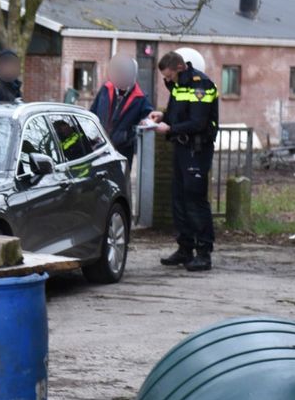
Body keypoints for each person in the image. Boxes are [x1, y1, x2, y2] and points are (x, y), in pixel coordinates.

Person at [150, 51, 219, 272]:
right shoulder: (179, 85)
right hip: (181, 148)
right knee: (178, 198)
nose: (167, 81)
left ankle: (203, 252)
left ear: (179, 68)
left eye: (168, 76)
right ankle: (185, 248)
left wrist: (170, 129)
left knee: (195, 199)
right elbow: (178, 113)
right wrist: (163, 118)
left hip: (197, 150)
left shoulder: (202, 85)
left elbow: (198, 122)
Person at [89, 54, 154, 167]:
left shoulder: (140, 98)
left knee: (120, 180)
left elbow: (149, 117)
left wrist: (129, 136)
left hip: (122, 150)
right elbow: (93, 112)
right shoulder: (105, 89)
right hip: (99, 146)